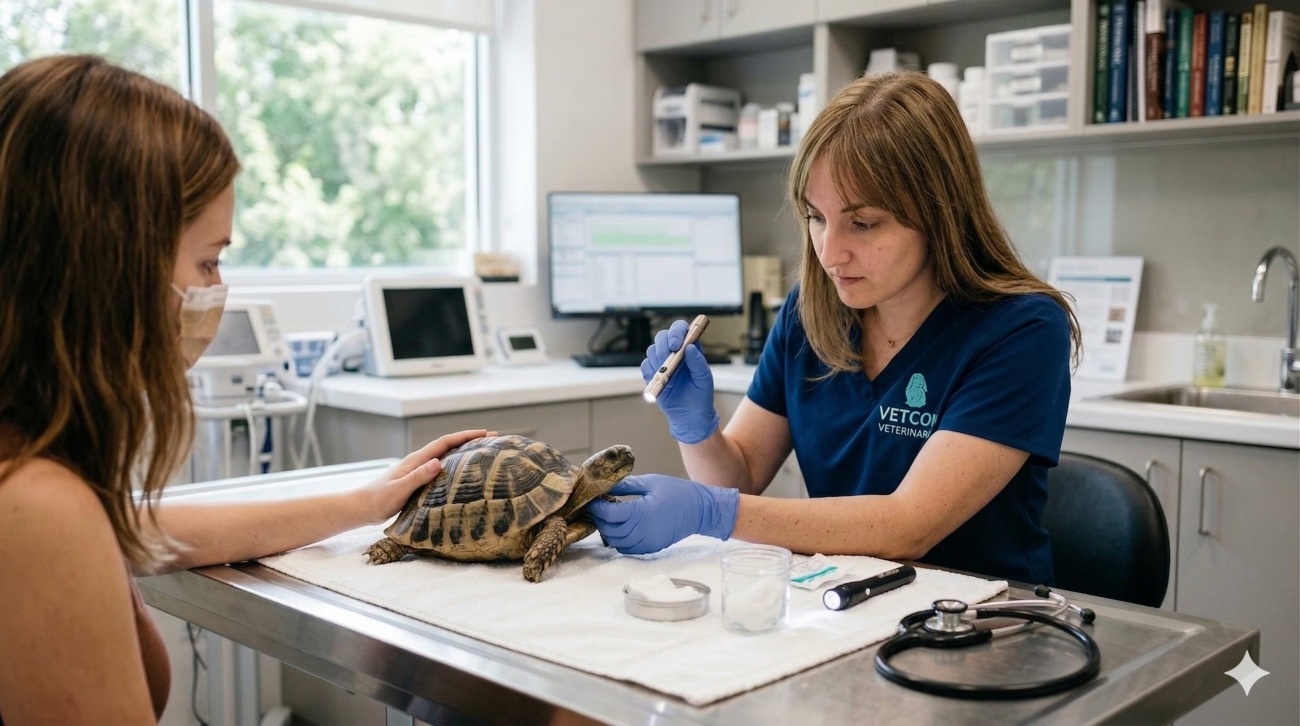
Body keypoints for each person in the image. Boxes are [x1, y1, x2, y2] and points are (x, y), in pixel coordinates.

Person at [0, 54, 489, 723]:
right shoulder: (36, 507)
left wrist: (368, 502)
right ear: (110, 266)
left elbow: (150, 528)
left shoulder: (36, 474)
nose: (214, 291)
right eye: (208, 260)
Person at [588, 71, 1081, 586]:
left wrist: (712, 512)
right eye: (815, 217)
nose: (829, 252)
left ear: (942, 213)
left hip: (981, 619)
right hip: (843, 599)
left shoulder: (1021, 329)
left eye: (863, 223)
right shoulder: (811, 311)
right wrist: (697, 428)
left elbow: (909, 527)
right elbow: (739, 478)